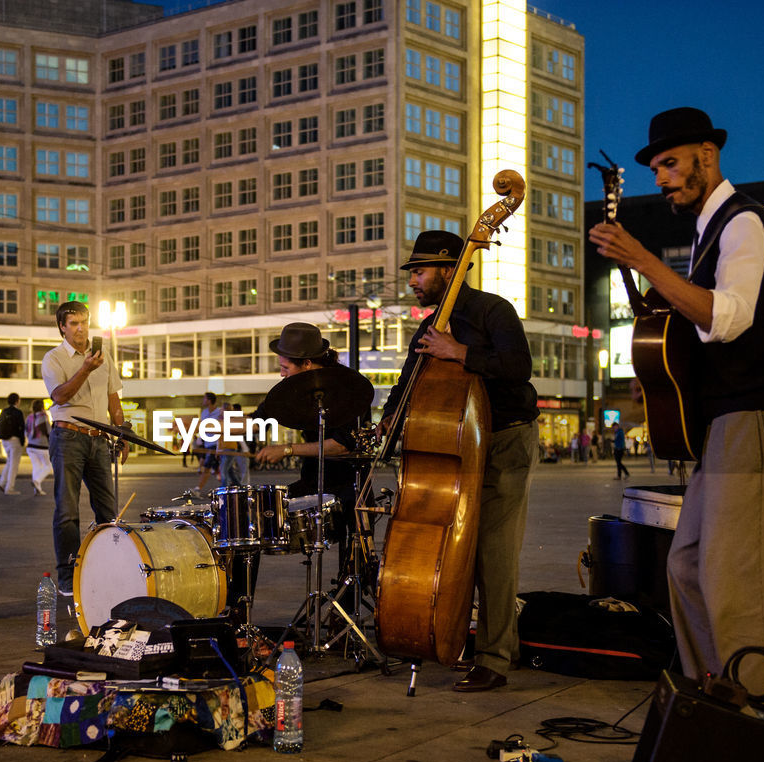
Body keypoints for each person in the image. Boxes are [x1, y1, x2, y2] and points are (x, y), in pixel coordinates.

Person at [588, 107, 764, 762]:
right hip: (724, 422)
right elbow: (695, 327)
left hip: (754, 416)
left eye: (670, 163)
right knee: (686, 568)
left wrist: (643, 260)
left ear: (706, 155)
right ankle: (723, 701)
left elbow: (730, 319)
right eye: (655, 168)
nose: (661, 177)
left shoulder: (745, 223)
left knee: (741, 581)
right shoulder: (713, 232)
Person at [377, 230, 541, 692]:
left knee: (493, 550)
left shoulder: (493, 310)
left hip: (506, 438)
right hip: (457, 446)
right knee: (453, 549)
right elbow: (409, 377)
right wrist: (391, 416)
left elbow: (518, 366)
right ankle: (449, 637)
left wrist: (460, 353)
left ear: (450, 270)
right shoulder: (430, 325)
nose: (412, 280)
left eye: (420, 271)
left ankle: (495, 658)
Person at [253, 323, 374, 598]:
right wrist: (202, 427)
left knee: (354, 562)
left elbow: (343, 446)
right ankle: (238, 615)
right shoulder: (289, 389)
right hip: (312, 482)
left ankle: (342, 618)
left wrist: (287, 449)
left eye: (285, 368)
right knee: (246, 525)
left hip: (349, 487)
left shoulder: (349, 386)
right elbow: (255, 423)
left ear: (306, 363)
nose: (281, 374)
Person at [41, 301, 128, 619]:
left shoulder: (104, 356)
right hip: (68, 437)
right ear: (62, 326)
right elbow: (60, 396)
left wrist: (122, 432)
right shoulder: (54, 358)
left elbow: (113, 397)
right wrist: (85, 369)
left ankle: (113, 569)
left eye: (84, 322)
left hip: (98, 438)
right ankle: (67, 575)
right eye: (73, 323)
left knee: (108, 510)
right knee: (67, 508)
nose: (80, 328)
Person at [193, 392, 223, 496]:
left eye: (204, 399)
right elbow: (202, 425)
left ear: (209, 400)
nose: (203, 401)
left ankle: (197, 489)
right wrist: (200, 438)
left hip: (217, 443)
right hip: (207, 444)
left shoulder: (219, 412)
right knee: (220, 469)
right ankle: (228, 485)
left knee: (206, 467)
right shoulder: (204, 412)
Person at [0, 393, 25, 495]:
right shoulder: (18, 412)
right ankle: (9, 488)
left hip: (5, 441)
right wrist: (22, 442)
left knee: (9, 462)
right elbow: (21, 428)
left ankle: (2, 482)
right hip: (15, 440)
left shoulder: (4, 411)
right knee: (14, 465)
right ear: (17, 401)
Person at [25, 398, 52, 496]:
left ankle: (38, 489)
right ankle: (37, 480)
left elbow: (26, 431)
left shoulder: (29, 417)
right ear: (42, 407)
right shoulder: (43, 416)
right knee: (49, 466)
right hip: (42, 446)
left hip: (30, 446)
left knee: (36, 467)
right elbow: (48, 431)